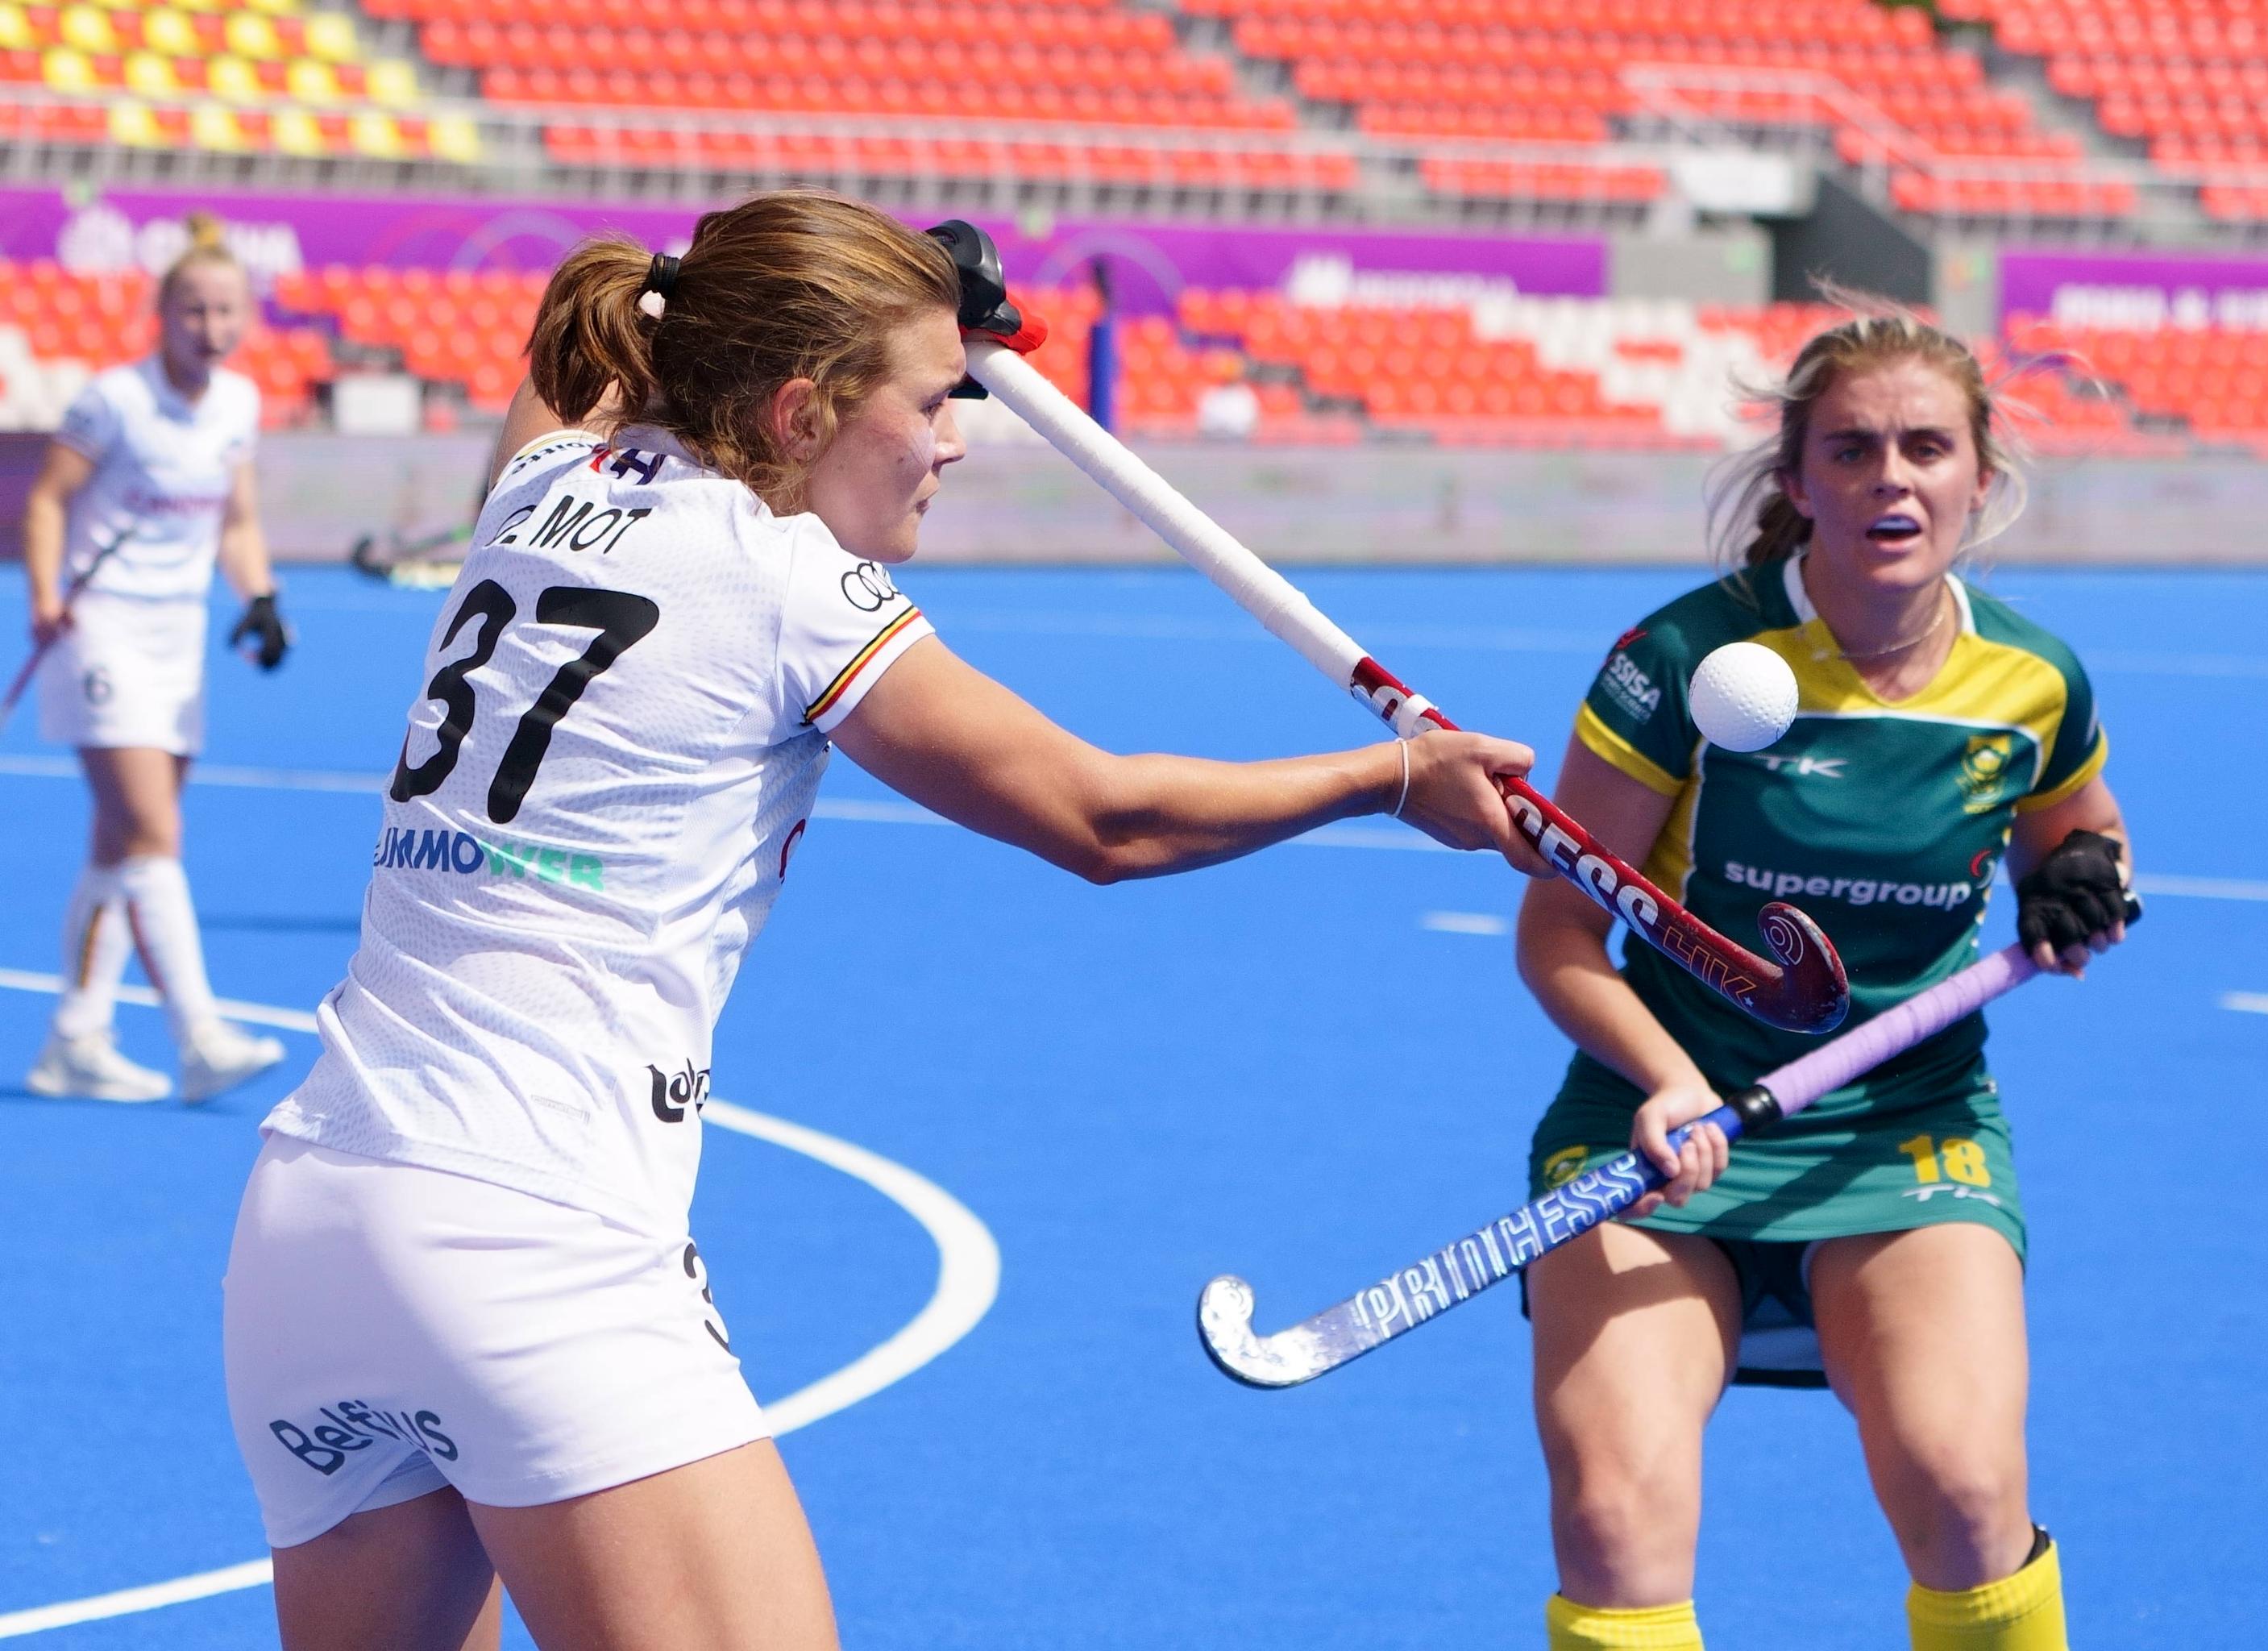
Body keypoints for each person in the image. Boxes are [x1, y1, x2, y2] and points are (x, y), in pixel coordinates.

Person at [222, 189, 1549, 1651]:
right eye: (933, 398)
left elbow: (587, 350)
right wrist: (1391, 772)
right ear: (799, 412)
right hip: (533, 1238)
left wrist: (889, 290)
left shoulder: (536, 488)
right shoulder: (786, 578)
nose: (958, 438)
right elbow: (1104, 819)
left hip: (308, 1234)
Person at [1514, 306, 2133, 1651]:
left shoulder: (2030, 681)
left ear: (1979, 476)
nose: (1890, 478)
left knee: (1966, 1488)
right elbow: (1557, 930)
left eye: (1925, 446)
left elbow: (2084, 843)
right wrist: (1668, 1079)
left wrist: (2083, 892)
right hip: (1655, 1122)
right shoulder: (1674, 661)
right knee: (1614, 1519)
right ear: (1795, 481)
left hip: (1900, 1129)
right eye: (1850, 450)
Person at [21, 213, 291, 1105]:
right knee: (152, 836)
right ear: (162, 314)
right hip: (101, 632)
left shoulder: (240, 405)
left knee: (117, 842)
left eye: (225, 313)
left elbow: (237, 520)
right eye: (192, 312)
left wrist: (260, 596)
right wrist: (46, 597)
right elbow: (47, 502)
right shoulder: (114, 400)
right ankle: (199, 1034)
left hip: (178, 641)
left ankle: (75, 1037)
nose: (209, 330)